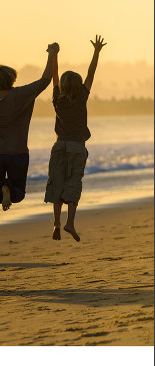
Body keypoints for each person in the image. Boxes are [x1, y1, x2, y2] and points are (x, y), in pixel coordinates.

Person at [0, 41, 59, 227]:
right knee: (18, 193)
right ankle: (7, 189)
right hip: (17, 153)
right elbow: (45, 80)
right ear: (12, 80)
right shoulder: (21, 94)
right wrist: (52, 54)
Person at [46, 35, 105, 242]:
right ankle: (70, 222)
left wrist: (54, 56)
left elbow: (54, 74)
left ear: (62, 84)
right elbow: (91, 73)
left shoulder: (57, 98)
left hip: (59, 145)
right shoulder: (82, 96)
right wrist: (96, 51)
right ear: (79, 85)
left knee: (57, 183)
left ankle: (56, 223)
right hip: (77, 146)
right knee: (73, 183)